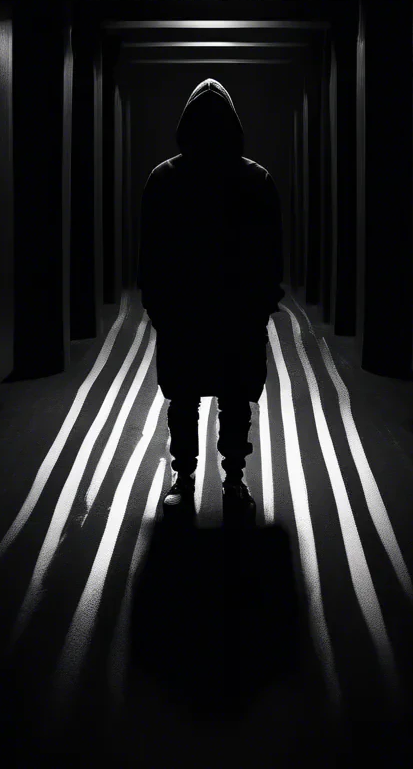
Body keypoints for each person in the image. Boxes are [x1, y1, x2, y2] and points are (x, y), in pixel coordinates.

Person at [137, 79, 284, 525]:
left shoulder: (165, 178)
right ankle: (226, 479)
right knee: (224, 398)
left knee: (194, 398)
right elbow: (271, 254)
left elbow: (150, 252)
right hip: (215, 309)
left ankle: (195, 478)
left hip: (206, 308)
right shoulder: (255, 179)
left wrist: (157, 304)